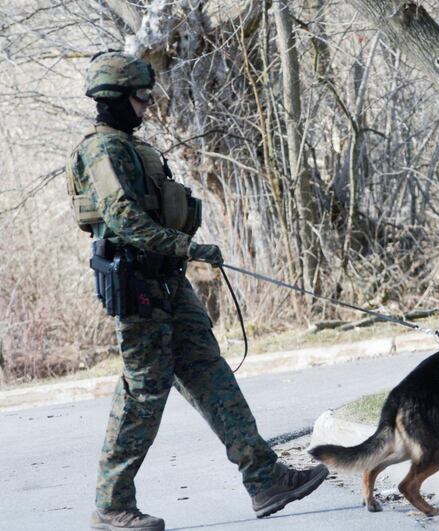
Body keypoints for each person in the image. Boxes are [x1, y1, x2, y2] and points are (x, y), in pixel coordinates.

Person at [66, 51, 328, 531]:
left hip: (167, 281)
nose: (147, 107)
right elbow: (124, 219)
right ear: (116, 99)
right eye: (141, 98)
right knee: (143, 395)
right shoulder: (102, 150)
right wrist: (187, 246)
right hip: (137, 287)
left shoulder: (129, 145)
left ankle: (265, 479)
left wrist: (179, 253)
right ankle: (111, 505)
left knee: (212, 377)